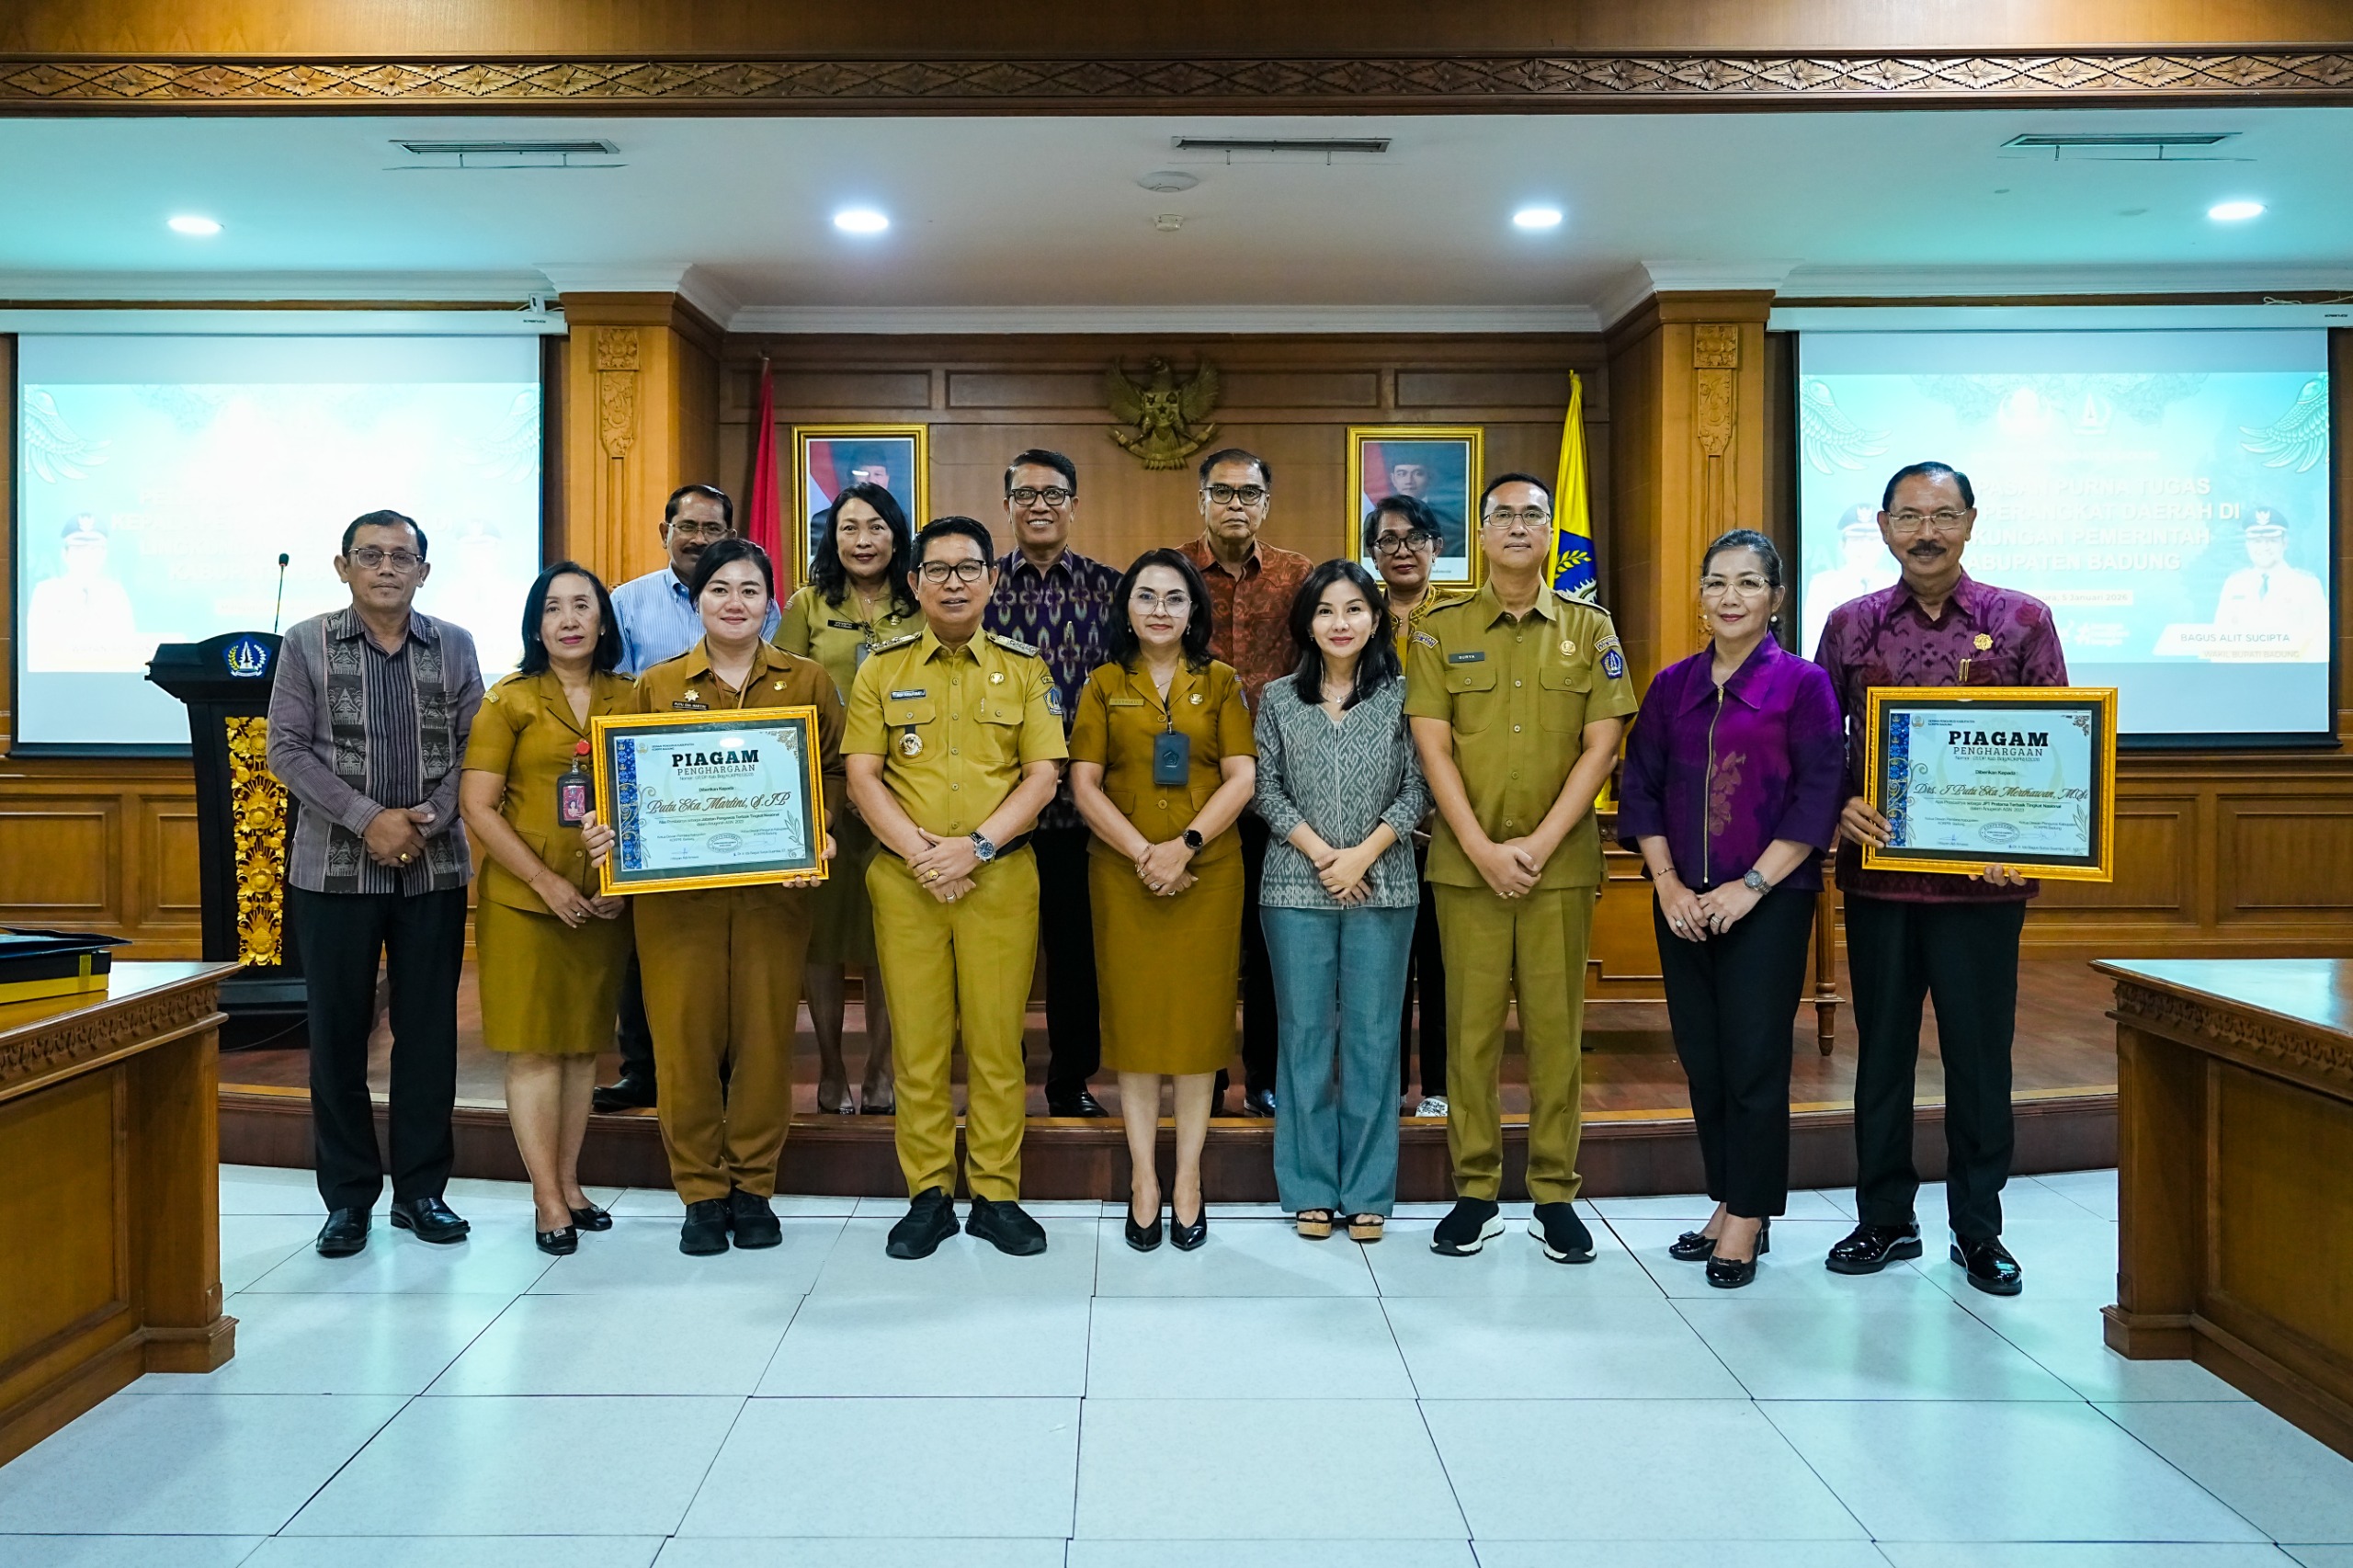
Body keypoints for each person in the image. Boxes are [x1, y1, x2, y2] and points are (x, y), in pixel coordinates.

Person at [1817, 460, 2068, 1297]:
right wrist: (1841, 805)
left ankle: (1979, 1231)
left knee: (1979, 1058)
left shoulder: (2022, 620)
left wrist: (2025, 834)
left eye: (1944, 515)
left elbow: (2057, 741)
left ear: (1970, 523)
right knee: (1881, 1057)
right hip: (1880, 881)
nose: (1927, 532)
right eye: (1910, 517)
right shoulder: (1850, 625)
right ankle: (1885, 1220)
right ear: (1884, 527)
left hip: (1982, 890)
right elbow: (1820, 745)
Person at [583, 537, 844, 1255]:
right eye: (720, 590)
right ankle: (700, 1192)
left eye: (750, 590)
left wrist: (818, 834)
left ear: (771, 602)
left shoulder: (808, 682)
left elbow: (834, 779)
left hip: (773, 895)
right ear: (697, 602)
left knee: (764, 1041)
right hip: (678, 904)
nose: (735, 603)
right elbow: (627, 786)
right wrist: (610, 835)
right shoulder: (656, 686)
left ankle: (754, 1185)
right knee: (685, 1043)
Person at [1406, 473, 1637, 1262]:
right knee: (1467, 1037)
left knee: (1553, 1034)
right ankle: (1474, 1189)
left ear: (1550, 533)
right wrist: (1476, 844)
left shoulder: (1590, 628)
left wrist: (1536, 845)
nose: (1515, 526)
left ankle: (1554, 1192)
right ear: (1479, 532)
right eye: (1500, 515)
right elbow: (1431, 744)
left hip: (1558, 868)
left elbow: (1601, 746)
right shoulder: (1437, 631)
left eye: (1530, 515)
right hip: (1465, 868)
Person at [1618, 529, 1844, 1289]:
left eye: (1748, 584)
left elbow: (1819, 799)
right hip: (1681, 903)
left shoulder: (1804, 685)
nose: (1730, 598)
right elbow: (1639, 787)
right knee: (1704, 1060)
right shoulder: (1672, 685)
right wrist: (1670, 886)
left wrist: (1748, 890)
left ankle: (1750, 1216)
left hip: (1768, 905)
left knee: (1754, 1063)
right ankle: (1725, 1197)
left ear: (1776, 598)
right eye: (1716, 583)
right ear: (1701, 595)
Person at [847, 517, 1066, 1260]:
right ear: (913, 583)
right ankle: (929, 1195)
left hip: (1000, 878)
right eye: (936, 570)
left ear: (992, 579)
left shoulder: (1024, 668)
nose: (953, 582)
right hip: (906, 883)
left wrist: (972, 849)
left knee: (999, 1046)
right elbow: (862, 775)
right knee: (919, 1046)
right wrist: (922, 856)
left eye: (968, 568)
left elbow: (1043, 775)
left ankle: (998, 1194)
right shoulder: (882, 667)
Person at [267, 509, 484, 1258]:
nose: (387, 568)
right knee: (338, 1037)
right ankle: (349, 1199)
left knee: (428, 1037)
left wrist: (421, 820)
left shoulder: (453, 645)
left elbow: (475, 750)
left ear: (424, 570)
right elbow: (286, 750)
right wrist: (370, 821)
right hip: (332, 871)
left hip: (436, 868)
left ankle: (423, 1193)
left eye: (402, 557)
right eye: (371, 555)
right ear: (343, 567)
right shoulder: (306, 644)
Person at [1068, 550, 1257, 1253]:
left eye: (1174, 598)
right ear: (1126, 607)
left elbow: (1241, 775)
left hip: (1208, 873)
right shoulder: (1101, 684)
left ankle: (1189, 1179)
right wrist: (1145, 853)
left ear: (1193, 611)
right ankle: (1144, 1178)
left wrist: (1185, 845)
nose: (1158, 609)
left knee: (1199, 1030)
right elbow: (1084, 785)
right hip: (1123, 875)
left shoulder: (1223, 682)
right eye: (1145, 596)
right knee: (1138, 1031)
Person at [459, 562, 635, 1256]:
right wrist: (545, 882)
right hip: (527, 905)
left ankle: (570, 1180)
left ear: (602, 620)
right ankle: (544, 1197)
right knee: (536, 1048)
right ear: (537, 624)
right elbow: (477, 805)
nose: (568, 619)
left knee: (582, 1048)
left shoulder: (631, 696)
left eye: (582, 606)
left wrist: (618, 886)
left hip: (600, 904)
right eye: (554, 607)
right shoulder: (510, 701)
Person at [1256, 559, 1430, 1244]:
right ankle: (1306, 1188)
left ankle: (1366, 1192)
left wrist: (1361, 855)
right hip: (1294, 885)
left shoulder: (1404, 696)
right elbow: (1265, 790)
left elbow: (1418, 788)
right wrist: (1326, 858)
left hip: (1384, 884)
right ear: (1307, 622)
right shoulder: (1275, 699)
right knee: (1302, 1038)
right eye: (1326, 610)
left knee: (1373, 1038)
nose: (1340, 622)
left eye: (1354, 608)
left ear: (1375, 618)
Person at [597, 483, 779, 1115]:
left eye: (713, 526)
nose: (699, 537)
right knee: (651, 958)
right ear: (664, 530)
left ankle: (725, 1079)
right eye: (688, 526)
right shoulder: (626, 602)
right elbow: (613, 696)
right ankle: (642, 1069)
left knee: (731, 967)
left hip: (744, 802)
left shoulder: (761, 604)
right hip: (664, 800)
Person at [987, 449, 1123, 1118]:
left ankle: (1071, 1080)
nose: (1039, 505)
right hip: (996, 809)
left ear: (1075, 504)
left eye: (1054, 494)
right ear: (1007, 503)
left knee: (1076, 957)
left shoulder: (1110, 588)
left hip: (1083, 811)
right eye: (1025, 494)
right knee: (998, 958)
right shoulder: (977, 586)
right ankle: (1000, 1079)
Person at [777, 483, 920, 1116]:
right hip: (823, 796)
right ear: (831, 538)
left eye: (876, 527)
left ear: (897, 535)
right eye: (848, 528)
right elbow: (782, 698)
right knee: (824, 943)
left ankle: (882, 1069)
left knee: (892, 938)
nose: (863, 540)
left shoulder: (920, 602)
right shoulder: (807, 604)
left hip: (903, 797)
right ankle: (833, 1066)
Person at [1181, 448, 1313, 1117]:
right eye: (1223, 492)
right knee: (1201, 943)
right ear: (1201, 499)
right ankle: (1200, 1073)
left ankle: (1265, 1074)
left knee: (1269, 943)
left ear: (1267, 502)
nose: (1236, 505)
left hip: (1278, 790)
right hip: (1190, 787)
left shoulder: (1298, 577)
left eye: (1249, 494)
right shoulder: (1171, 573)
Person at [1366, 494, 1467, 1118]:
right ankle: (1382, 1086)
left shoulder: (1462, 619)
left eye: (1414, 538)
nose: (1401, 550)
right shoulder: (1356, 617)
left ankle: (1439, 1088)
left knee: (1443, 959)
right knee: (1382, 965)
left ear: (1436, 548)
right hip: (1373, 816)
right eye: (1387, 539)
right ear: (1373, 553)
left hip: (1449, 811)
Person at [2212, 507, 2329, 660]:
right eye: (2257, 541)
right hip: (2241, 677)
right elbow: (2220, 642)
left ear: (2284, 543)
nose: (2264, 548)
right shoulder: (2234, 584)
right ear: (2247, 544)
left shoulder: (2307, 585)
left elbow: (2319, 645)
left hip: (2290, 678)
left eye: (2272, 541)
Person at [1802, 505, 1900, 659]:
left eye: (1872, 539)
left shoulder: (1894, 582)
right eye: (1856, 539)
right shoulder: (1822, 585)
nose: (1865, 546)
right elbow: (1812, 641)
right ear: (1843, 545)